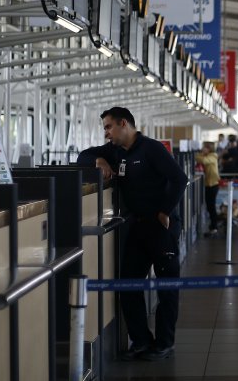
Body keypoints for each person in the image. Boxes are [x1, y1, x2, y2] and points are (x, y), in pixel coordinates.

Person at [76, 106, 188, 361]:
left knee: (167, 287)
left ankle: (164, 342)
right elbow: (83, 155)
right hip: (137, 227)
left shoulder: (152, 148)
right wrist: (99, 160)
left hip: (162, 228)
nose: (106, 133)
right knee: (128, 283)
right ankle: (141, 340)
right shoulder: (116, 151)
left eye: (108, 127)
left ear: (123, 123)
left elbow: (179, 179)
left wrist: (164, 210)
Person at [196, 141, 220, 236]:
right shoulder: (208, 155)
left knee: (212, 206)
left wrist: (200, 155)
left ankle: (214, 227)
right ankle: (213, 226)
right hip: (209, 184)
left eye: (204, 147)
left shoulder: (213, 155)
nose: (203, 149)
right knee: (210, 206)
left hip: (213, 185)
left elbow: (203, 160)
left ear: (209, 148)